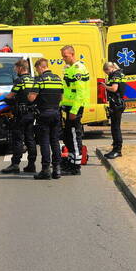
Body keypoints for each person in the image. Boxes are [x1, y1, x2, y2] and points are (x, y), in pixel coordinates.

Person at [29, 58, 64, 180]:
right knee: (55, 141)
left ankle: (45, 170)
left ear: (40, 67)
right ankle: (57, 169)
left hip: (43, 114)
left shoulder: (40, 79)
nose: (37, 71)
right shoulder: (58, 79)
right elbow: (61, 97)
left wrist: (30, 94)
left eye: (36, 69)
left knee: (44, 141)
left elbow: (32, 98)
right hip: (56, 113)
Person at [2, 59, 36, 174]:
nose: (15, 70)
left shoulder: (19, 81)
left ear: (20, 68)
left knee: (17, 140)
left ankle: (15, 164)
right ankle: (31, 164)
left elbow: (10, 96)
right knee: (30, 139)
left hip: (20, 115)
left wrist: (3, 99)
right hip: (31, 114)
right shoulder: (33, 80)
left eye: (16, 68)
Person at [59, 45, 89, 175]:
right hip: (69, 107)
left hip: (74, 108)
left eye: (65, 56)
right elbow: (68, 90)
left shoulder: (78, 69)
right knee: (68, 137)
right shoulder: (70, 68)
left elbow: (80, 92)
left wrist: (74, 110)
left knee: (74, 136)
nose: (63, 58)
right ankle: (70, 162)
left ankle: (76, 166)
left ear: (72, 54)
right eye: (63, 56)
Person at [102, 61, 126, 159]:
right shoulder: (120, 73)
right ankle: (115, 148)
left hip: (116, 103)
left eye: (107, 72)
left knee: (115, 127)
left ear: (110, 68)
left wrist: (105, 86)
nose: (107, 74)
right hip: (118, 103)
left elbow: (114, 88)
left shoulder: (115, 75)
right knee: (115, 127)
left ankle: (117, 150)